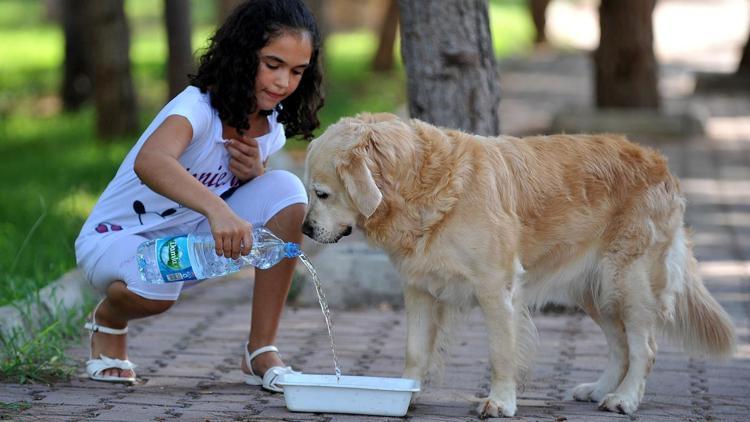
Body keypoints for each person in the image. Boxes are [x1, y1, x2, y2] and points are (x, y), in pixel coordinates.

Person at [74, 0, 323, 393]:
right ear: (243, 56)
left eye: (296, 71)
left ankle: (260, 349)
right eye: (272, 65)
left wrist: (254, 178)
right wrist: (216, 209)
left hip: (190, 244)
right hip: (116, 239)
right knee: (157, 288)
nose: (283, 83)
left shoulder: (271, 125)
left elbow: (260, 201)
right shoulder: (196, 108)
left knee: (287, 190)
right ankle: (109, 319)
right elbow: (151, 162)